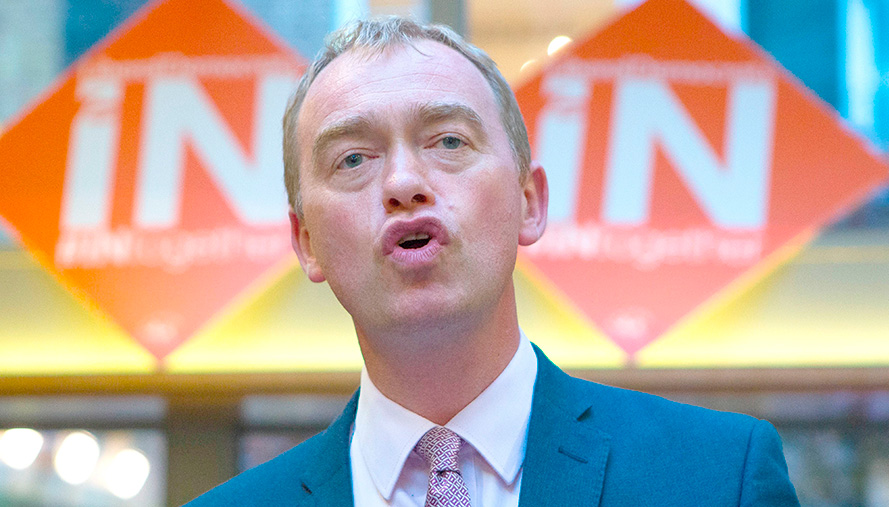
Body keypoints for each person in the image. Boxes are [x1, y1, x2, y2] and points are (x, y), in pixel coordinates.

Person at [187, 16, 800, 506]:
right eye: (353, 159)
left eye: (448, 141)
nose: (403, 183)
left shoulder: (719, 475)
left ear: (529, 202)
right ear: (306, 243)